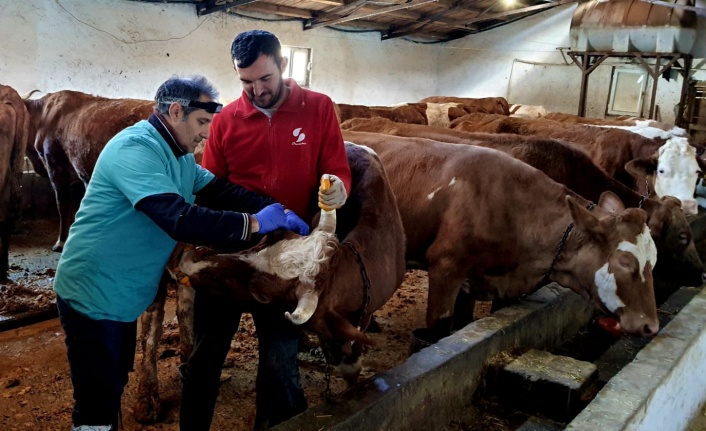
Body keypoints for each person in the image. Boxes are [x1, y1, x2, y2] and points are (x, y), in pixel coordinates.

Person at [53, 75, 309, 431]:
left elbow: (220, 190)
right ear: (176, 111)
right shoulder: (135, 150)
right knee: (96, 403)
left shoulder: (180, 157)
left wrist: (275, 209)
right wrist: (253, 223)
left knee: (114, 385)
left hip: (123, 297)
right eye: (202, 123)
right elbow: (179, 219)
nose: (206, 134)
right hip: (93, 293)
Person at [179, 30, 352, 431]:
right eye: (246, 82)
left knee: (280, 361)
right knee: (205, 356)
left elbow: (336, 167)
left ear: (282, 66)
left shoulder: (319, 108)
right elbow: (212, 185)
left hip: (289, 256)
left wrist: (339, 187)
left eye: (265, 79)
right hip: (234, 251)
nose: (256, 90)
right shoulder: (225, 121)